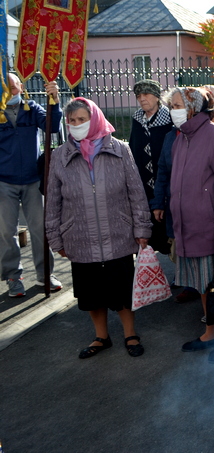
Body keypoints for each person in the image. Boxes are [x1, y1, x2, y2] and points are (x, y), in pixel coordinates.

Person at [45, 97, 151, 358]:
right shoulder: (60, 155)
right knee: (92, 293)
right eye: (72, 121)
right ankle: (101, 337)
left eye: (82, 120)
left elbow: (136, 192)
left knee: (121, 290)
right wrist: (55, 237)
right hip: (79, 236)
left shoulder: (120, 149)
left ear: (94, 119)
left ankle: (130, 334)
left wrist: (141, 228)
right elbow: (53, 200)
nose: (77, 125)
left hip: (118, 233)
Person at [166, 87, 214, 363]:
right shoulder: (180, 139)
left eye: (176, 104)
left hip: (211, 228)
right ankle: (210, 331)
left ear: (193, 108)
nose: (172, 109)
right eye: (171, 105)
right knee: (202, 285)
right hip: (188, 227)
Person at [0, 75, 61, 297]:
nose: (11, 93)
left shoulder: (31, 107)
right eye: (6, 90)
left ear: (22, 87)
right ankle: (13, 277)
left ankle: (45, 274)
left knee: (40, 229)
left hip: (33, 180)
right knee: (7, 231)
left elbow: (53, 126)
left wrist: (54, 98)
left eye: (14, 88)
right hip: (4, 181)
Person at [128, 79, 173, 255]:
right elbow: (133, 147)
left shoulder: (168, 118)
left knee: (165, 228)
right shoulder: (137, 119)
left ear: (156, 96)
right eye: (139, 96)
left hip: (164, 180)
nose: (142, 99)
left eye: (146, 94)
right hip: (143, 183)